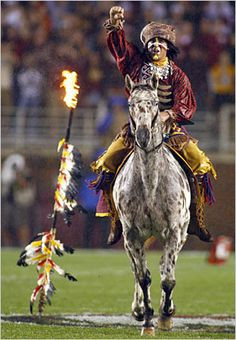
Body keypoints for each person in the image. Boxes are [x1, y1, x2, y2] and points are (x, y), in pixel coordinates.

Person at [90, 6, 217, 246]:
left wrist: (168, 114)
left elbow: (187, 104)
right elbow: (120, 50)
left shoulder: (178, 76)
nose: (155, 45)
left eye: (160, 41)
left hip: (170, 133)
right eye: (151, 41)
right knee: (106, 163)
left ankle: (196, 220)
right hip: (135, 132)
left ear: (169, 46)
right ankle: (116, 222)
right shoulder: (135, 65)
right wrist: (117, 26)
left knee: (200, 164)